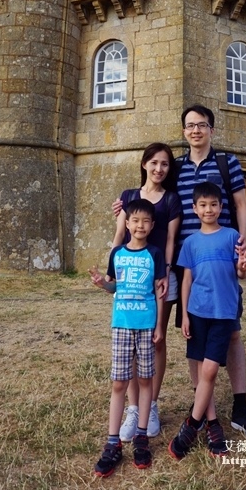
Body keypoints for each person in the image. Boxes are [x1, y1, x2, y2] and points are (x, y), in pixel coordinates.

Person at [175, 104, 246, 440]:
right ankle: (203, 407)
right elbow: (161, 202)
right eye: (190, 125)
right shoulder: (177, 167)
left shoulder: (227, 162)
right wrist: (126, 205)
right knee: (194, 337)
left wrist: (241, 242)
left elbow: (241, 204)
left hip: (222, 259)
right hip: (190, 262)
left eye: (201, 124)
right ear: (184, 131)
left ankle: (240, 408)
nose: (195, 130)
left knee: (232, 333)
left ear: (211, 130)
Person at [168, 182, 246, 459]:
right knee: (202, 369)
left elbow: (240, 273)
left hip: (223, 313)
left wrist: (243, 267)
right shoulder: (191, 242)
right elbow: (186, 280)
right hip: (197, 312)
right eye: (203, 205)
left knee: (211, 370)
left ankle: (192, 424)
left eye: (213, 204)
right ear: (194, 209)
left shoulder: (231, 236)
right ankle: (212, 423)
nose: (208, 210)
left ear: (221, 207)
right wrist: (185, 315)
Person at [89, 198, 166, 478]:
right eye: (135, 220)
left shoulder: (155, 254)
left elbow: (159, 291)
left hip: (146, 325)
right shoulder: (117, 253)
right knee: (119, 382)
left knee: (145, 380)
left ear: (152, 225)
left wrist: (159, 326)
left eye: (145, 221)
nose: (140, 225)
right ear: (127, 223)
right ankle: (113, 442)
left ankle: (142, 436)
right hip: (121, 324)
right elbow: (114, 287)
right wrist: (102, 284)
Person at [111, 143, 181, 439]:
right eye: (154, 162)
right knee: (129, 340)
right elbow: (119, 234)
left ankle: (150, 405)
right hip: (130, 276)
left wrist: (164, 273)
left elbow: (170, 240)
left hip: (159, 275)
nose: (159, 169)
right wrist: (112, 271)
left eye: (164, 164)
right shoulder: (128, 197)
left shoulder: (172, 199)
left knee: (156, 340)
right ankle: (133, 408)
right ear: (144, 164)